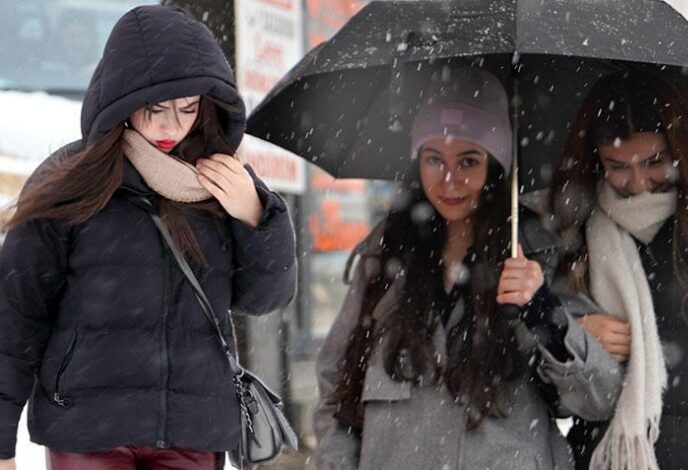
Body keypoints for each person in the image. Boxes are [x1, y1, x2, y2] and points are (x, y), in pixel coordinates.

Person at [0, 5, 296, 470]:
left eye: (187, 109)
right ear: (119, 100)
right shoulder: (70, 181)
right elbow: (16, 317)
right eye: (154, 108)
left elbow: (265, 298)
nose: (171, 127)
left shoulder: (222, 183)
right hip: (89, 427)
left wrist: (256, 215)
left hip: (192, 429)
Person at [313, 66, 622, 469]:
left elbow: (598, 398)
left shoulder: (539, 254)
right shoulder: (384, 257)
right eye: (433, 159)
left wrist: (544, 311)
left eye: (468, 161)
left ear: (496, 165)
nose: (449, 180)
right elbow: (336, 388)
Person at [548, 71, 688, 469]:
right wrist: (574, 335)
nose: (637, 183)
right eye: (617, 166)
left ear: (680, 146)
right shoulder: (569, 233)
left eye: (654, 161)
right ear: (595, 159)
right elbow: (552, 394)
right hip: (625, 455)